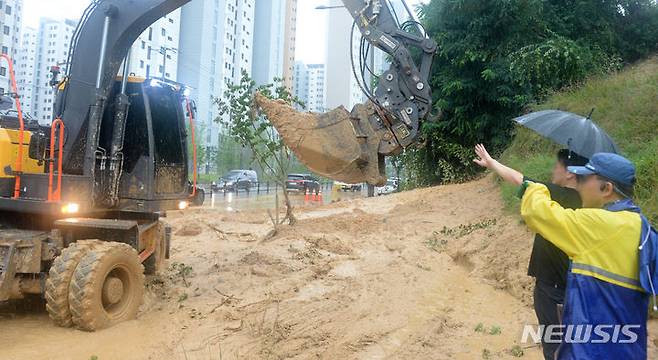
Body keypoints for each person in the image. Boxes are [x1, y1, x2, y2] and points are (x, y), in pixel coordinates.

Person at [520, 153, 651, 359]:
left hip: (590, 350)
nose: (579, 186)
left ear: (606, 188)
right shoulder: (644, 229)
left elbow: (538, 213)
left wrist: (535, 187)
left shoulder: (598, 224)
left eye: (584, 180)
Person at [473, 144, 588, 360]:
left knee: (554, 347)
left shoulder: (557, 195)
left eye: (557, 166)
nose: (553, 170)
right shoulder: (590, 203)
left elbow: (520, 180)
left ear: (570, 173)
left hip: (553, 291)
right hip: (577, 287)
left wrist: (491, 163)